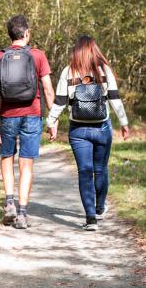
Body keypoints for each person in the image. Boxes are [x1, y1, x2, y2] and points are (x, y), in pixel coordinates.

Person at [46, 35, 130, 231]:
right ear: (94, 50)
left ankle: (90, 218)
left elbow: (59, 101)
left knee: (85, 171)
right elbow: (115, 100)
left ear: (76, 50)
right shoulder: (104, 70)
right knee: (100, 169)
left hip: (78, 130)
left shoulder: (69, 71)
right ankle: (100, 208)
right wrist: (124, 123)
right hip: (102, 128)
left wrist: (51, 122)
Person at [0, 15, 54, 230]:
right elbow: (47, 89)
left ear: (10, 34)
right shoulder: (38, 56)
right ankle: (23, 213)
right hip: (32, 115)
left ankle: (9, 203)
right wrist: (52, 119)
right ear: (26, 33)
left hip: (8, 115)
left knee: (7, 157)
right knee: (26, 162)